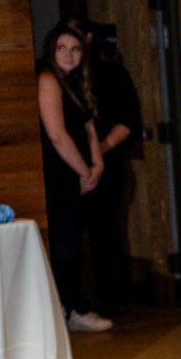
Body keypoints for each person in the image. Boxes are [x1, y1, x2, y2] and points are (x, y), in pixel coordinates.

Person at [34, 22, 112, 334]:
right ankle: (70, 307)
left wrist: (97, 164)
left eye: (75, 49)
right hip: (62, 174)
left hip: (82, 173)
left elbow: (89, 128)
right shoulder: (49, 79)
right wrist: (84, 171)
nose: (69, 54)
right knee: (65, 243)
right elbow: (57, 134)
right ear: (51, 52)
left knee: (76, 241)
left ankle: (75, 304)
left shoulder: (77, 83)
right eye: (62, 49)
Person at [69, 18, 141, 315]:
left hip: (108, 166)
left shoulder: (112, 74)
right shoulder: (60, 79)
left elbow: (128, 122)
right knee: (72, 236)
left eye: (75, 39)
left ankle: (114, 301)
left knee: (106, 232)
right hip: (69, 168)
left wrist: (98, 152)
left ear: (87, 39)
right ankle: (77, 303)